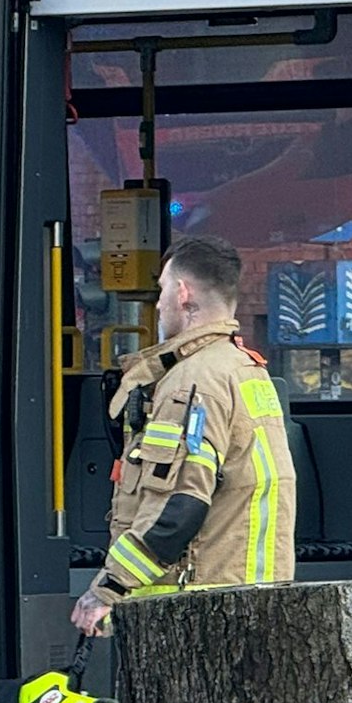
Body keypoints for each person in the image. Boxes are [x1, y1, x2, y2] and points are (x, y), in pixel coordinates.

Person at [71, 235, 295, 636]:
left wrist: (109, 588)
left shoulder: (190, 382)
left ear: (182, 293)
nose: (157, 305)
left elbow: (179, 506)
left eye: (161, 291)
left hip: (197, 608)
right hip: (252, 599)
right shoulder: (246, 371)